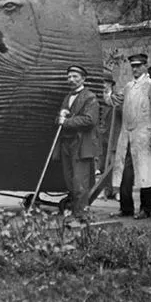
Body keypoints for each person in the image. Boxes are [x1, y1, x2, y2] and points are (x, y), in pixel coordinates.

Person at [107, 53, 151, 220]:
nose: (135, 69)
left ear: (145, 66)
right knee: (125, 175)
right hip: (127, 137)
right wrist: (108, 92)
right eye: (133, 66)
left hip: (146, 137)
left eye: (138, 66)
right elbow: (116, 102)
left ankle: (146, 209)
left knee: (146, 174)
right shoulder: (128, 87)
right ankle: (126, 208)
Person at [55, 65, 99, 220]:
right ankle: (74, 211)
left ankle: (82, 215)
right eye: (69, 77)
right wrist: (60, 116)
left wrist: (66, 121)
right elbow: (60, 118)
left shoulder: (90, 97)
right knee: (69, 180)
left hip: (81, 144)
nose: (71, 80)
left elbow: (90, 120)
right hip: (66, 143)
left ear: (83, 79)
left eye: (75, 76)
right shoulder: (67, 97)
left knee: (80, 181)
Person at [97, 68, 121, 200]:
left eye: (106, 83)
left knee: (115, 165)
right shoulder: (98, 99)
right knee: (102, 166)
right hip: (102, 136)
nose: (103, 85)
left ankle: (117, 191)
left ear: (111, 84)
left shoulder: (116, 98)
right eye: (102, 83)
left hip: (115, 135)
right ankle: (105, 190)